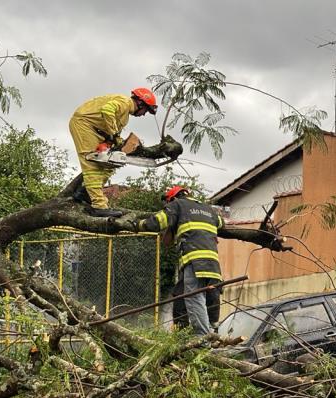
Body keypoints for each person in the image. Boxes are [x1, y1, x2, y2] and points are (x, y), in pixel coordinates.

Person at [134, 185, 224, 336]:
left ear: (173, 198)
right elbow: (222, 223)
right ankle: (213, 331)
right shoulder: (209, 210)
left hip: (194, 260)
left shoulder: (178, 204)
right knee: (208, 296)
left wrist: (138, 225)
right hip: (213, 263)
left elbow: (157, 222)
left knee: (194, 297)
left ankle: (202, 338)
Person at [69, 88, 158, 217]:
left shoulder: (125, 116)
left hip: (96, 131)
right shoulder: (125, 102)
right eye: (146, 110)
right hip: (84, 125)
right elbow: (107, 110)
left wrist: (117, 143)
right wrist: (113, 134)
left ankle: (85, 193)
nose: (144, 114)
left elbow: (113, 131)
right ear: (141, 103)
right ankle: (98, 206)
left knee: (110, 163)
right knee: (92, 165)